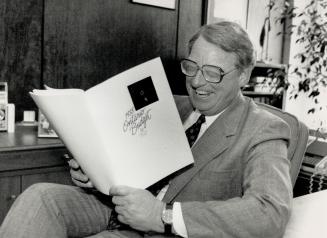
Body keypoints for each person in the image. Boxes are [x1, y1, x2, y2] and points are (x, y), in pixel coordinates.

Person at [0, 21, 292, 238]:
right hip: (114, 205)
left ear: (243, 75)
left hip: (164, 230)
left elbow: (270, 212)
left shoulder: (263, 130)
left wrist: (162, 216)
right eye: (191, 66)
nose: (198, 82)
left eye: (213, 72)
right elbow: (126, 155)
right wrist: (94, 171)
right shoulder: (171, 105)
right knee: (39, 197)